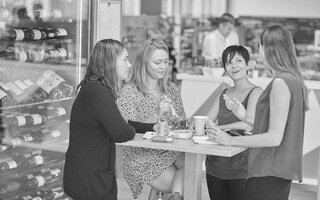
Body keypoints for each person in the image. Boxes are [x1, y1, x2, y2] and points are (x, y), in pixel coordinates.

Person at [208, 24, 309, 200]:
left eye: (260, 46)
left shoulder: (280, 83)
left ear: (269, 48)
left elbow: (274, 137)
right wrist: (245, 117)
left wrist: (230, 140)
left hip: (269, 169)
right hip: (280, 171)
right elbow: (282, 129)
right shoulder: (294, 81)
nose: (259, 52)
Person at [63, 39, 136, 200]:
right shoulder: (97, 92)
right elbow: (122, 133)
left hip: (86, 175)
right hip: (89, 180)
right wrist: (130, 128)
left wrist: (149, 126)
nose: (129, 65)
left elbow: (118, 124)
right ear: (109, 62)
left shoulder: (93, 88)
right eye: (125, 59)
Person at [118, 38, 186, 200]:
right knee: (188, 178)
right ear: (143, 63)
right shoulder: (130, 91)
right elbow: (127, 130)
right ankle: (175, 196)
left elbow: (181, 121)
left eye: (165, 62)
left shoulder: (171, 89)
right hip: (141, 155)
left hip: (169, 150)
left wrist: (180, 123)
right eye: (157, 62)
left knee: (193, 162)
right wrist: (156, 113)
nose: (162, 67)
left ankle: (174, 197)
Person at [205, 45, 263, 200]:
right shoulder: (222, 94)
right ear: (225, 68)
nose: (234, 65)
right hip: (215, 164)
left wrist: (219, 128)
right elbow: (207, 121)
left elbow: (248, 124)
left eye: (239, 60)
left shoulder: (256, 92)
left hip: (242, 166)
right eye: (229, 62)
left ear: (248, 65)